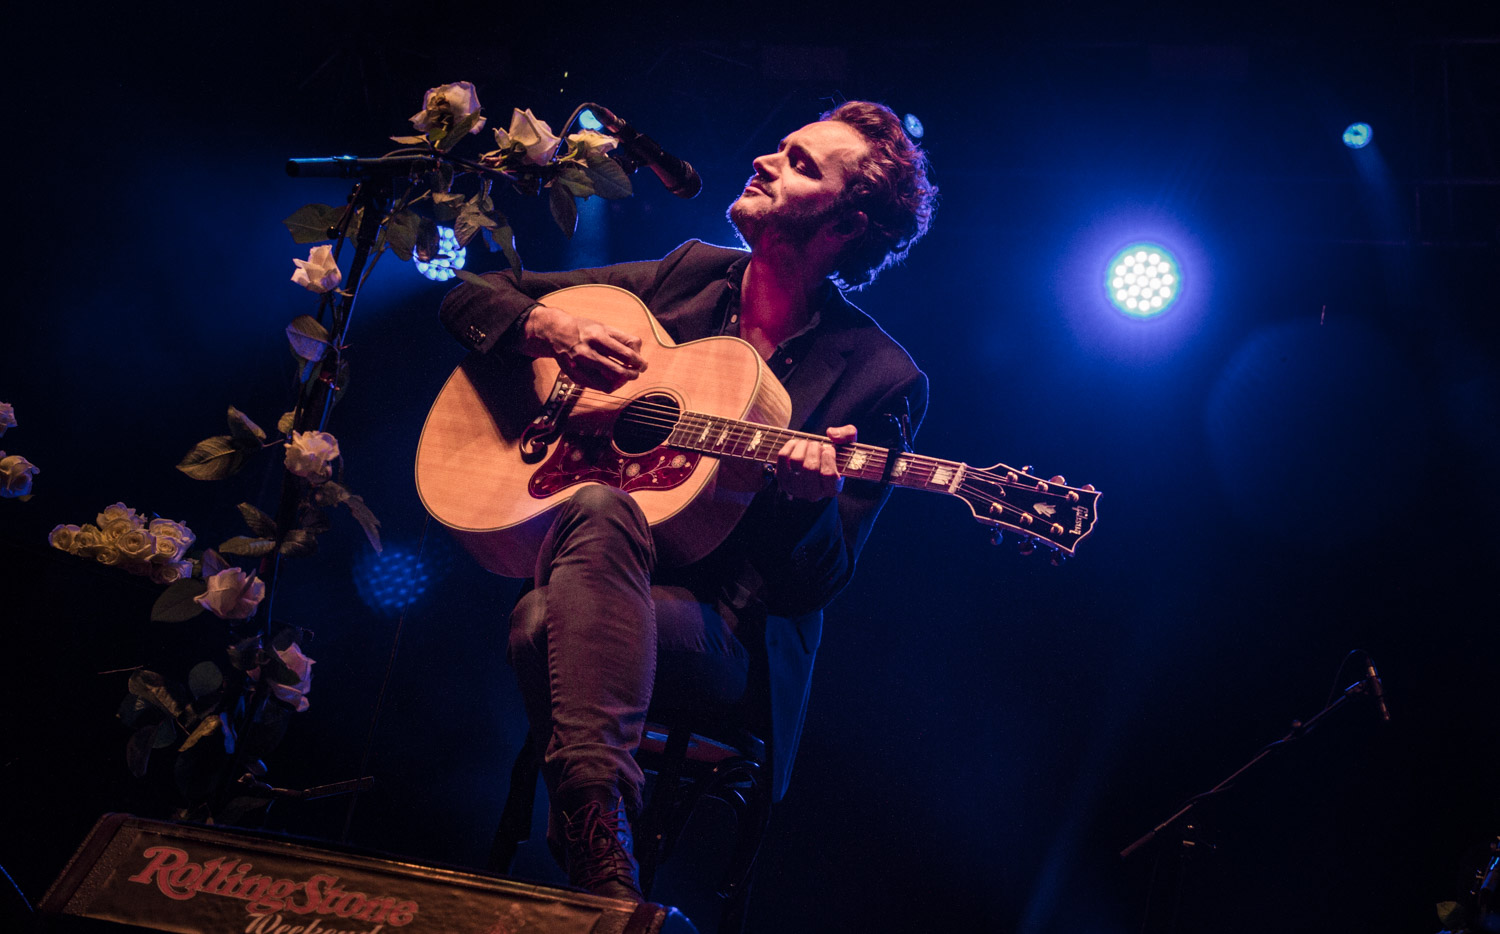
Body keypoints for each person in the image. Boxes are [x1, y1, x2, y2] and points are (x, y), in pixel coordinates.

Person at [439, 100, 937, 900]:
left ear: (845, 227)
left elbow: (818, 583)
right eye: (780, 146)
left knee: (547, 608)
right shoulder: (688, 276)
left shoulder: (879, 377)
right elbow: (470, 293)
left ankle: (588, 834)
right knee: (590, 530)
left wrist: (811, 500)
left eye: (802, 165)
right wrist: (550, 332)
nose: (767, 161)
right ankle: (605, 847)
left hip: (723, 634)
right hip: (597, 576)